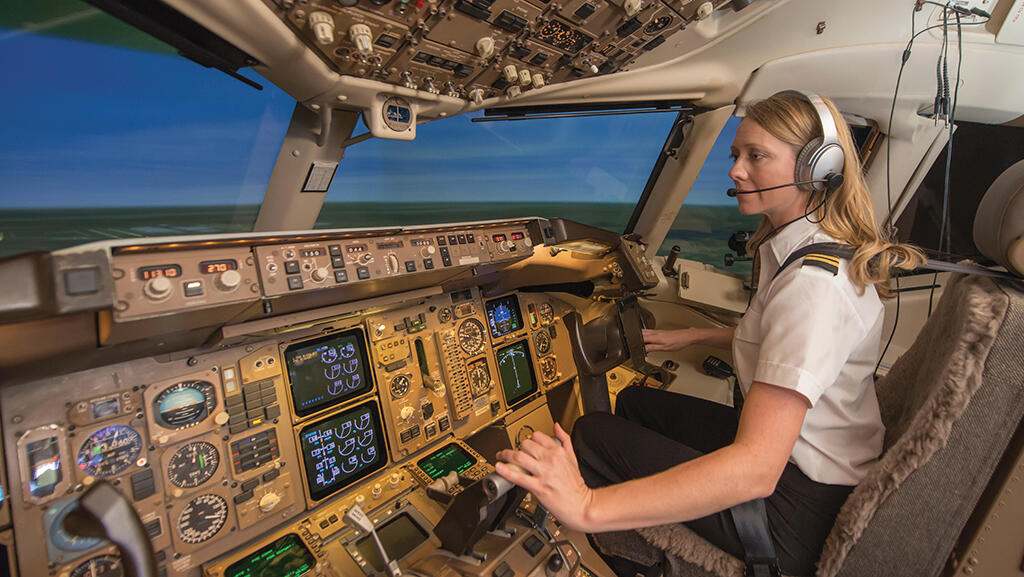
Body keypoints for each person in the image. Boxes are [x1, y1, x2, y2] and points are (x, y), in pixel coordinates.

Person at [494, 91, 924, 576]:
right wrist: (694, 335)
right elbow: (782, 344)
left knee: (592, 436)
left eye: (756, 156)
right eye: (735, 155)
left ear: (817, 168)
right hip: (809, 471)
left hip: (794, 509)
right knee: (636, 402)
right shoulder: (813, 252)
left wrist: (585, 505)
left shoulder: (813, 287)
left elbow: (755, 471)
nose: (735, 171)